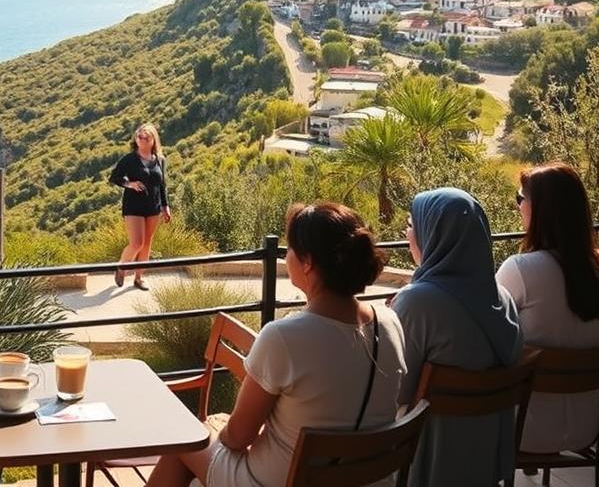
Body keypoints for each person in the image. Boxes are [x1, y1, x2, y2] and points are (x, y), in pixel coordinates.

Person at [146, 202, 407, 487]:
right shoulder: (390, 323)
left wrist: (220, 428)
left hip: (284, 481)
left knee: (186, 440)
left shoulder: (285, 337)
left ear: (308, 262)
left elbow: (237, 438)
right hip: (367, 478)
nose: (286, 256)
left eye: (290, 249)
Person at [390, 187, 523, 487]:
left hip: (424, 460)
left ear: (432, 233)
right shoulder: (503, 300)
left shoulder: (419, 302)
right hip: (486, 460)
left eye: (412, 225)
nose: (407, 233)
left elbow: (393, 393)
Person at [496, 162, 599, 454]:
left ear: (541, 209)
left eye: (521, 199)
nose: (518, 206)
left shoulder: (519, 270)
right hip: (589, 424)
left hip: (525, 426)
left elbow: (489, 340)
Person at [108, 123, 171, 291]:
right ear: (135, 139)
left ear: (153, 140)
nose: (142, 139)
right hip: (133, 206)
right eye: (139, 136)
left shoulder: (160, 160)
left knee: (147, 244)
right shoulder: (129, 159)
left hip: (153, 207)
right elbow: (114, 178)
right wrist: (129, 184)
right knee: (136, 243)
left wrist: (165, 206)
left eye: (146, 137)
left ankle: (139, 278)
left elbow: (162, 184)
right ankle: (121, 267)